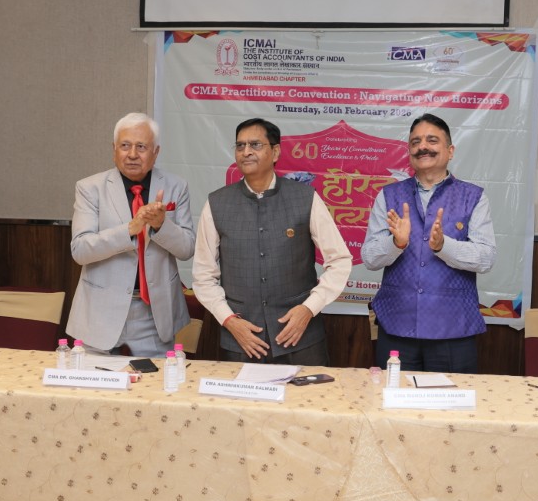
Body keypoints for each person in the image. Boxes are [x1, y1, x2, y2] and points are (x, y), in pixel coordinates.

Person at [193, 118, 351, 365]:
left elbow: (340, 260)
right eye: (240, 145)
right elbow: (203, 275)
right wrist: (229, 320)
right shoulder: (217, 203)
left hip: (301, 338)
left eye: (255, 145)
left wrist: (308, 308)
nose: (246, 151)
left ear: (275, 152)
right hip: (242, 339)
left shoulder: (305, 198)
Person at [362, 113, 495, 373]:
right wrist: (396, 243)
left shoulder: (473, 197)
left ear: (450, 151)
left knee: (450, 399)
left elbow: (486, 258)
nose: (423, 146)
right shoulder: (389, 195)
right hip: (396, 327)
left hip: (453, 330)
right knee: (394, 397)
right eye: (415, 142)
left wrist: (444, 246)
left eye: (432, 141)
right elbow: (369, 258)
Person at [67, 112, 195, 357]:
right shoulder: (89, 188)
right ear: (114, 149)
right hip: (100, 312)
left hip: (154, 314)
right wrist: (129, 229)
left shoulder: (176, 186)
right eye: (125, 146)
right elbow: (80, 250)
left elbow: (187, 249)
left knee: (157, 380)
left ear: (156, 152)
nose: (132, 154)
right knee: (94, 381)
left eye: (141, 147)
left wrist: (161, 226)